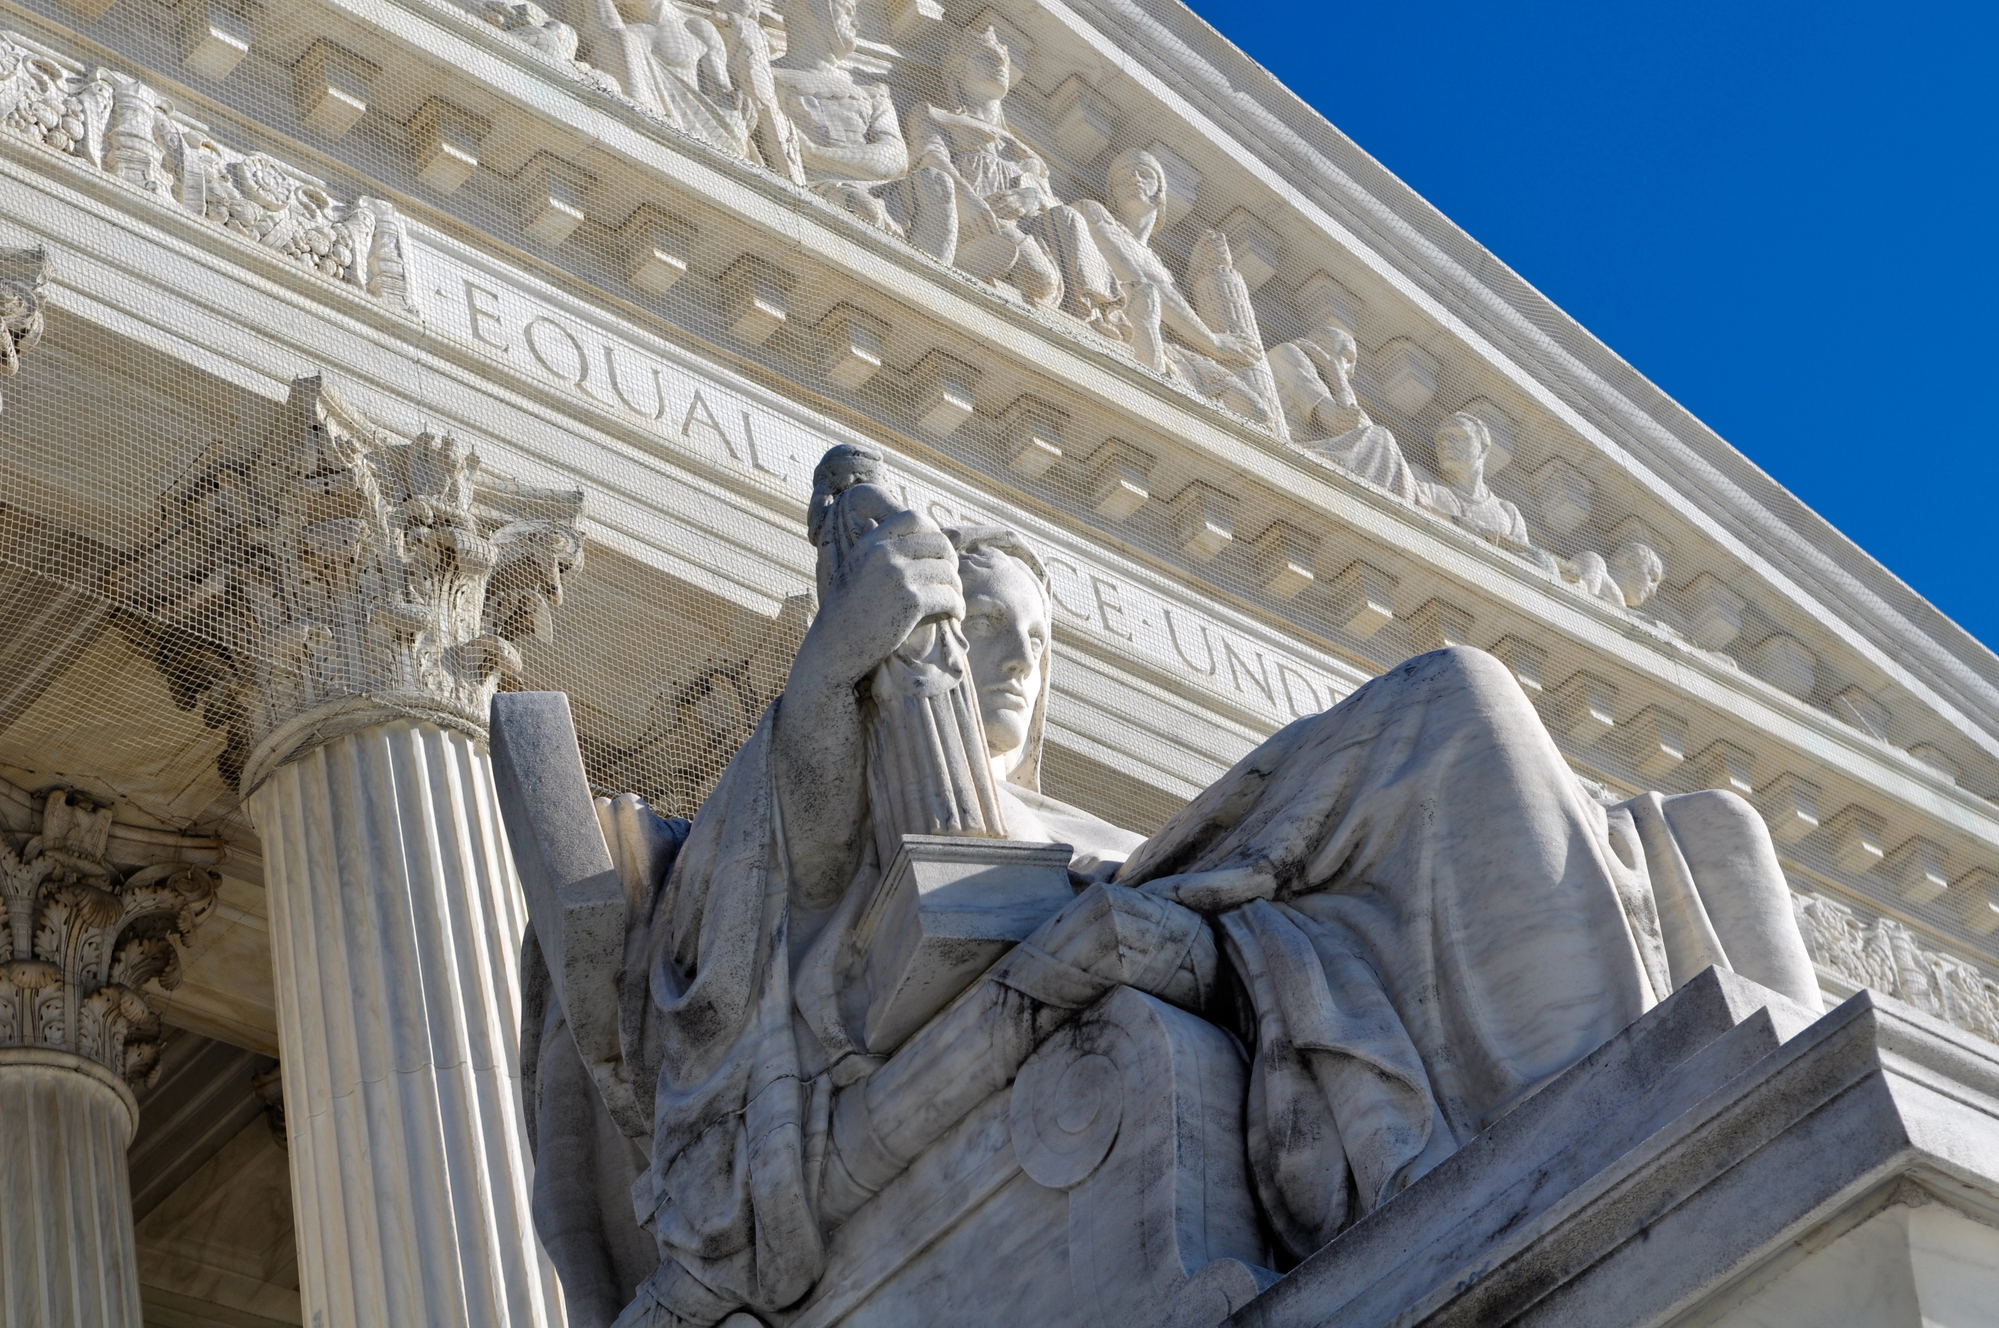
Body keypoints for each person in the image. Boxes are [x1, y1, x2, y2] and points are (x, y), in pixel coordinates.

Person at [517, 444, 1821, 1326]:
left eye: (1032, 635)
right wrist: (832, 670)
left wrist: (1159, 925)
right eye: (977, 628)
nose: (1015, 660)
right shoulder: (840, 788)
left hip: (1199, 909)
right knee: (1454, 705)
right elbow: (757, 964)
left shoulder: (1046, 814)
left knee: (1705, 829)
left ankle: (1739, 1129)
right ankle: (1584, 1138)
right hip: (1109, 968)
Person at [901, 25, 1111, 318]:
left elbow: (1050, 201)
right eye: (985, 57)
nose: (1000, 64)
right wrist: (969, 202)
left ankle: (1095, 310)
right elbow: (930, 159)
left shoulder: (1022, 151)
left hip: (1020, 227)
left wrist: (1033, 198)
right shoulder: (932, 115)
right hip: (969, 214)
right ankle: (963, 260)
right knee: (1041, 280)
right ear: (958, 68)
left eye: (1003, 59)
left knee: (1061, 238)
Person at [1268, 324, 1419, 500]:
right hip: (1295, 448)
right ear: (1319, 345)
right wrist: (1334, 372)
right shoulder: (1288, 353)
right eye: (1347, 358)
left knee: (1383, 443)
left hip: (1323, 451)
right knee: (1382, 437)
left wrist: (1335, 377)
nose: (1350, 372)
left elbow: (1360, 428)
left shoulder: (1326, 380)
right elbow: (1342, 423)